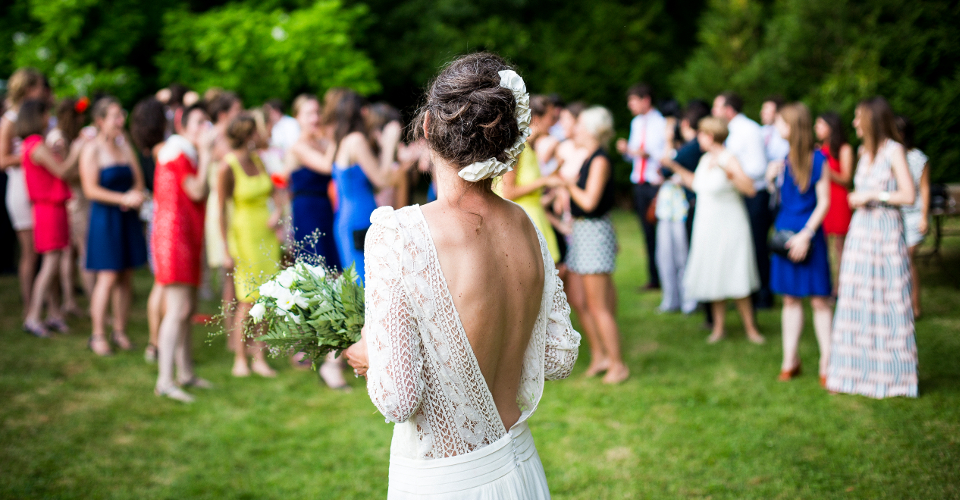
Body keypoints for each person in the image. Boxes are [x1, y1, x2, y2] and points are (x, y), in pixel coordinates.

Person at [343, 52, 580, 499]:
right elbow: (558, 357)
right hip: (522, 469)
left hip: (445, 481)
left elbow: (399, 399)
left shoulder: (399, 235)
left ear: (428, 127)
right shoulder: (527, 226)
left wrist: (370, 352)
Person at [826, 97, 917, 398]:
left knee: (888, 299)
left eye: (857, 117)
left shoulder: (894, 151)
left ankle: (893, 376)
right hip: (861, 233)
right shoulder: (864, 153)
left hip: (885, 233)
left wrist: (874, 195)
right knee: (855, 299)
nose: (853, 123)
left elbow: (908, 195)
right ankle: (852, 372)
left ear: (871, 120)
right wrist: (857, 197)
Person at [675, 116, 764, 344]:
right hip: (707, 224)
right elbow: (697, 185)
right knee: (714, 273)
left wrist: (727, 171)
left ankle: (751, 328)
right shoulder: (705, 159)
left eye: (701, 134)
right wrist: (673, 167)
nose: (698, 138)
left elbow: (750, 189)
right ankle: (719, 328)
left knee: (736, 273)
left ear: (710, 136)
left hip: (730, 224)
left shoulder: (729, 158)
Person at [765, 103, 833, 385]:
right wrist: (771, 181)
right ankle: (789, 359)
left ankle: (828, 362)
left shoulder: (819, 160)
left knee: (819, 300)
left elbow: (825, 201)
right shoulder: (783, 159)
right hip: (784, 233)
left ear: (793, 127)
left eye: (781, 123)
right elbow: (779, 198)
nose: (777, 127)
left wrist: (806, 234)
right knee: (790, 299)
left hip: (809, 233)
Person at [562, 106, 629, 384]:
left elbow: (589, 202)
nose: (574, 130)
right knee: (581, 300)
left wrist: (567, 184)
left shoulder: (600, 160)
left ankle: (618, 364)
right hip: (583, 233)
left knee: (599, 305)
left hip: (593, 233)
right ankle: (600, 355)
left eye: (578, 126)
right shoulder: (591, 157)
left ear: (590, 130)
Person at [153, 103, 215, 401]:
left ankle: (185, 373)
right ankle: (165, 380)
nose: (206, 128)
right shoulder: (177, 154)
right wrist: (205, 154)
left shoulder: (182, 153)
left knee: (187, 310)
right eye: (200, 122)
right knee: (177, 310)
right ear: (183, 127)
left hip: (186, 236)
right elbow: (197, 190)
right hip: (174, 238)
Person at [80, 97, 148, 356]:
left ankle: (120, 330)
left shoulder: (126, 147)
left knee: (126, 275)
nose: (121, 121)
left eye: (122, 115)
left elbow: (139, 181)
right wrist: (122, 198)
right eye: (115, 117)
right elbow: (90, 189)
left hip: (127, 217)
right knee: (107, 277)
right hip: (105, 219)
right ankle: (97, 334)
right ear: (100, 121)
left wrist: (136, 194)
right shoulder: (92, 149)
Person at [218, 114, 281, 378]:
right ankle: (240, 358)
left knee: (267, 298)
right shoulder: (227, 166)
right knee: (246, 300)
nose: (261, 134)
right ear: (247, 135)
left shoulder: (259, 161)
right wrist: (224, 248)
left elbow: (275, 191)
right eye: (256, 131)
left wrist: (278, 211)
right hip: (243, 236)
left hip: (266, 235)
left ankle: (259, 355)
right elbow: (220, 210)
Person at [18, 99, 86, 337]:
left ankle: (53, 314)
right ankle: (34, 316)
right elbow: (62, 171)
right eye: (47, 113)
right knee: (50, 265)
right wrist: (76, 151)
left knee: (53, 263)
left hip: (50, 208)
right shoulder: (36, 145)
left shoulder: (33, 145)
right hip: (49, 209)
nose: (50, 118)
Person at [323, 88, 405, 278]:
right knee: (367, 283)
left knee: (360, 281)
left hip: (347, 218)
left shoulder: (341, 139)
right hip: (360, 219)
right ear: (363, 112)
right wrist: (389, 143)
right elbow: (382, 180)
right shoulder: (356, 140)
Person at [713, 92, 773, 309]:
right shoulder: (731, 131)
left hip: (754, 195)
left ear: (729, 110)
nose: (714, 112)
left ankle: (764, 296)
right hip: (738, 194)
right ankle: (745, 293)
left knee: (757, 245)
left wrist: (734, 172)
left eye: (717, 107)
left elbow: (758, 167)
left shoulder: (748, 130)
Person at [1, 68, 46, 323]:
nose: (43, 92)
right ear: (28, 89)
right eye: (39, 86)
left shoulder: (37, 115)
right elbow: (2, 159)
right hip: (20, 189)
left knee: (44, 250)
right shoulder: (10, 119)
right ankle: (29, 306)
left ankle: (43, 305)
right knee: (29, 252)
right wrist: (30, 155)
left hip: (39, 187)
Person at [494, 94, 562, 262]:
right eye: (552, 117)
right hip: (521, 221)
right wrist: (544, 181)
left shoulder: (530, 148)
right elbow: (508, 192)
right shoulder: (517, 148)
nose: (555, 123)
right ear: (537, 118)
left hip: (536, 217)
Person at [656, 103, 709, 314]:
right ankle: (673, 299)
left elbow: (665, 167)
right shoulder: (685, 147)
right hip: (668, 207)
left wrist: (669, 141)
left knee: (681, 255)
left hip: (681, 208)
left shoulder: (690, 148)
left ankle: (687, 300)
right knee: (667, 255)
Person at [131, 97, 171, 363]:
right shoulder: (164, 151)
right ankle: (159, 341)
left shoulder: (144, 151)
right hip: (166, 218)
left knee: (160, 282)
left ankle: (155, 342)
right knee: (163, 283)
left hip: (156, 216)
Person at [617, 83, 666, 290]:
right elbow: (635, 155)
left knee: (659, 231)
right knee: (646, 232)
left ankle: (665, 276)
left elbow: (650, 152)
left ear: (646, 99)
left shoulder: (660, 122)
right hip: (639, 181)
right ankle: (653, 278)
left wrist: (631, 150)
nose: (630, 105)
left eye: (633, 101)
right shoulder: (636, 123)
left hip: (655, 182)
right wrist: (626, 151)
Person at [46, 96, 92, 318]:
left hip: (77, 199)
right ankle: (80, 301)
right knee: (79, 252)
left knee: (70, 253)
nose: (83, 118)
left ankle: (70, 300)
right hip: (72, 201)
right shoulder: (58, 139)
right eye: (79, 114)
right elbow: (62, 171)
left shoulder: (68, 136)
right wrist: (88, 173)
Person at [285, 94, 340, 269]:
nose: (315, 118)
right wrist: (334, 137)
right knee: (316, 259)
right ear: (297, 117)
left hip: (325, 205)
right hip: (307, 208)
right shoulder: (298, 147)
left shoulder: (322, 142)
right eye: (309, 114)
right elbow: (326, 166)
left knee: (332, 261)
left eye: (317, 112)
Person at [896, 116, 929, 319]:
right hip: (896, 215)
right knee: (899, 262)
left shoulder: (918, 158)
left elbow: (924, 190)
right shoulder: (889, 155)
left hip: (914, 215)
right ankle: (900, 305)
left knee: (907, 260)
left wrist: (924, 217)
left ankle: (915, 307)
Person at [815, 112, 854, 284]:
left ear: (831, 127)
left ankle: (841, 286)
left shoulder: (844, 149)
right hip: (823, 199)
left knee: (839, 247)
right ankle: (827, 284)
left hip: (838, 200)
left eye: (820, 124)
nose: (816, 128)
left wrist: (826, 170)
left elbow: (846, 179)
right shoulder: (818, 149)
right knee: (824, 246)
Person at [760, 96, 790, 165]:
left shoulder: (784, 133)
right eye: (763, 110)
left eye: (767, 111)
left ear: (777, 113)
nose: (762, 113)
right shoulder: (761, 131)